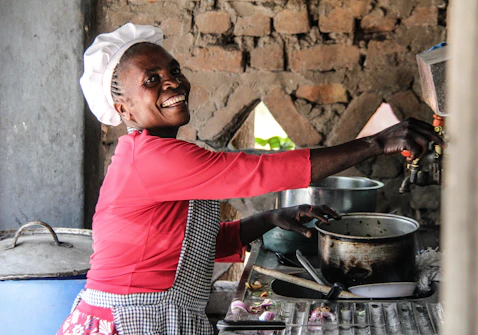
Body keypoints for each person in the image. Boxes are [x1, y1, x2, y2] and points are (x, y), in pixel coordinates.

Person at [57, 23, 444, 335]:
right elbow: (258, 172)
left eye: (173, 70)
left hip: (149, 314)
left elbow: (183, 247)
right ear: (122, 108)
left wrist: (267, 220)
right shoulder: (153, 158)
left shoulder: (154, 155)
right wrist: (376, 142)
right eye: (151, 79)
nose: (171, 82)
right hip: (130, 320)